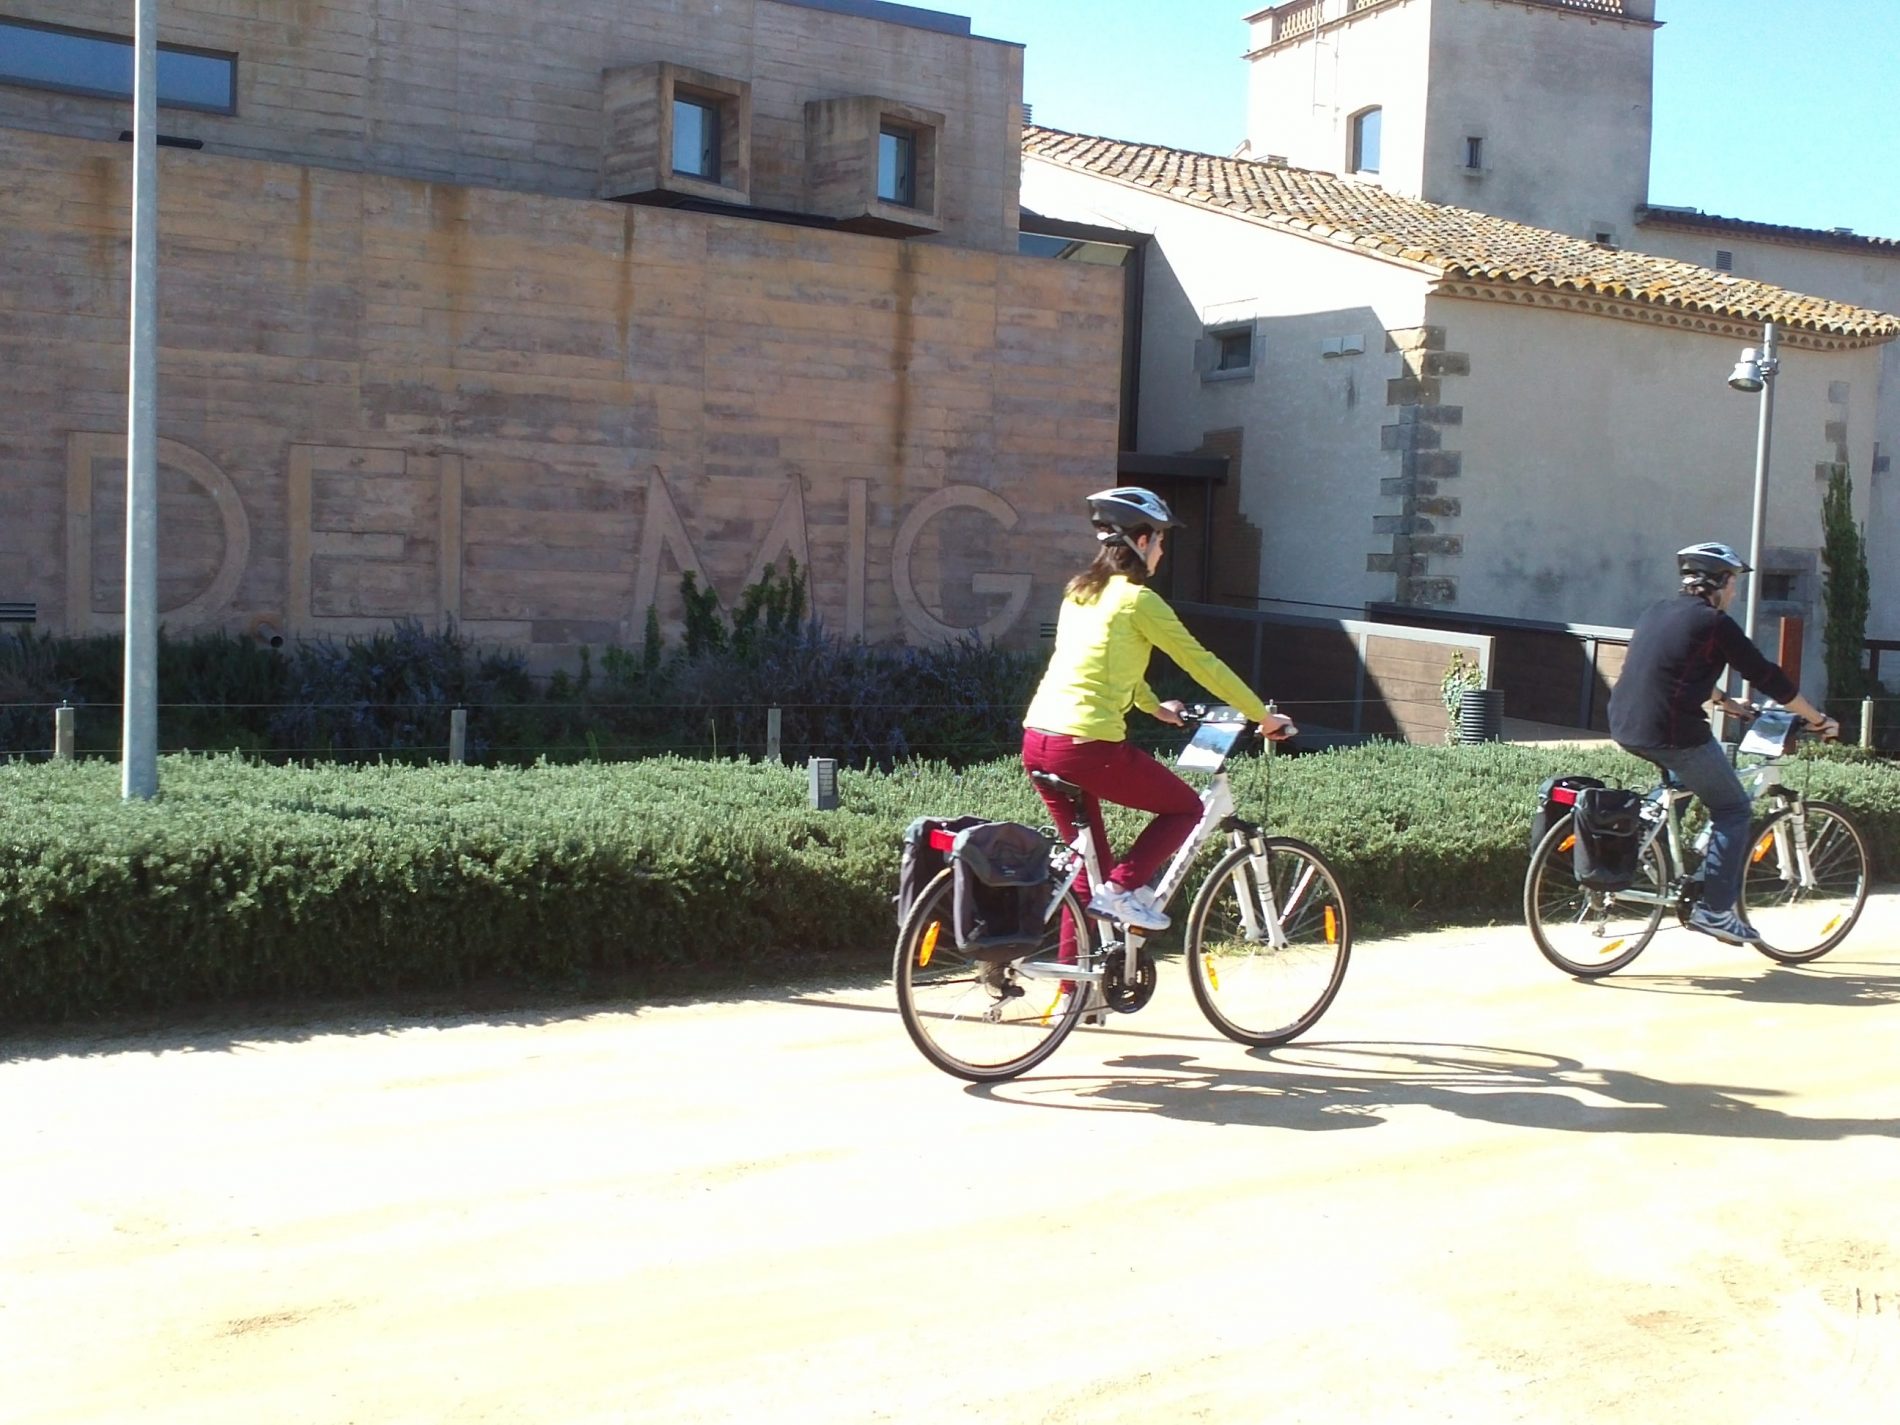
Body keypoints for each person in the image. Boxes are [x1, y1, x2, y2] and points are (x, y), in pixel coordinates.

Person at [1022, 486, 1295, 931]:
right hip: (1087, 746)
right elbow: (1203, 664)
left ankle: (1075, 994)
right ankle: (1126, 891)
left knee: (1089, 882)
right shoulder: (1137, 600)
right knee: (1186, 810)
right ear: (1141, 541)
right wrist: (1264, 718)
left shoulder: (1079, 594)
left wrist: (1153, 707)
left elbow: (1101, 664)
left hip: (1038, 741)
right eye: (1162, 540)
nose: (1163, 551)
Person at [1607, 541, 1840, 945]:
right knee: (1733, 809)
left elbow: (1673, 668)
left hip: (1626, 723)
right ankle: (1715, 911)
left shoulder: (1657, 611)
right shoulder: (1715, 624)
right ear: (1720, 581)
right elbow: (1767, 677)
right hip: (1672, 731)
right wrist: (1817, 718)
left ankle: (1653, 852)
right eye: (1734, 583)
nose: (1735, 592)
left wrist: (1727, 703)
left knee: (1689, 785)